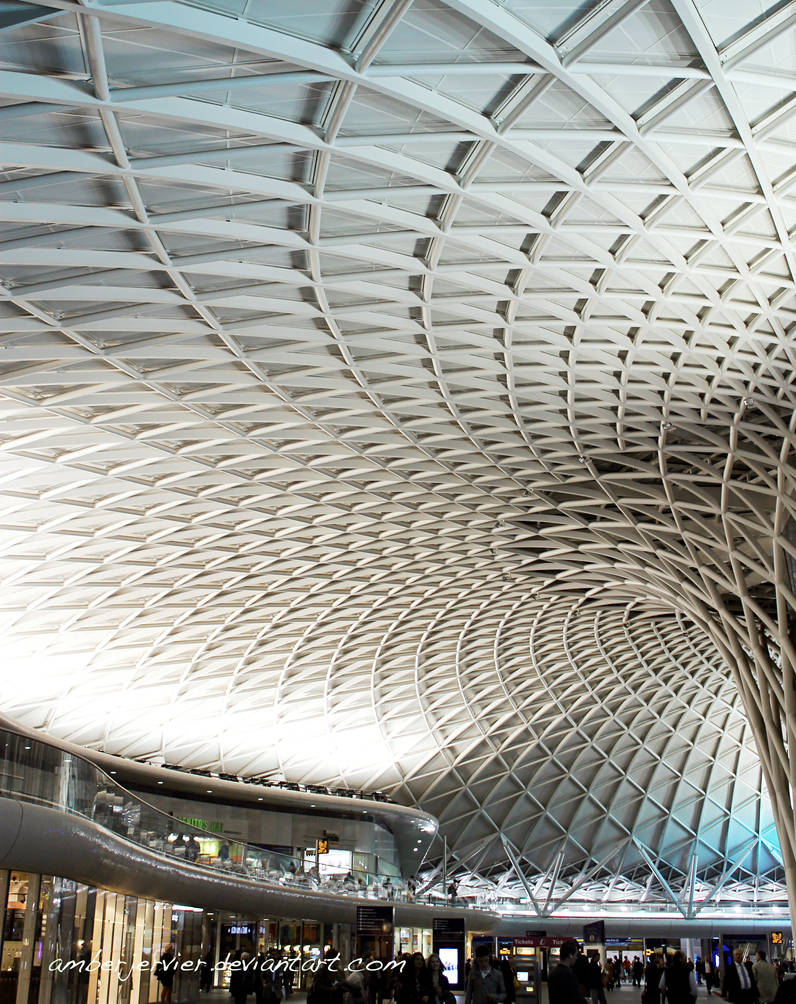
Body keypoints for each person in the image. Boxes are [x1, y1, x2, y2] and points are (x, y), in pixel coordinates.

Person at [548, 939, 588, 1004]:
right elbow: (575, 998)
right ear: (570, 955)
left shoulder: (553, 973)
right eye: (575, 955)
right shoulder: (569, 975)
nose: (576, 958)